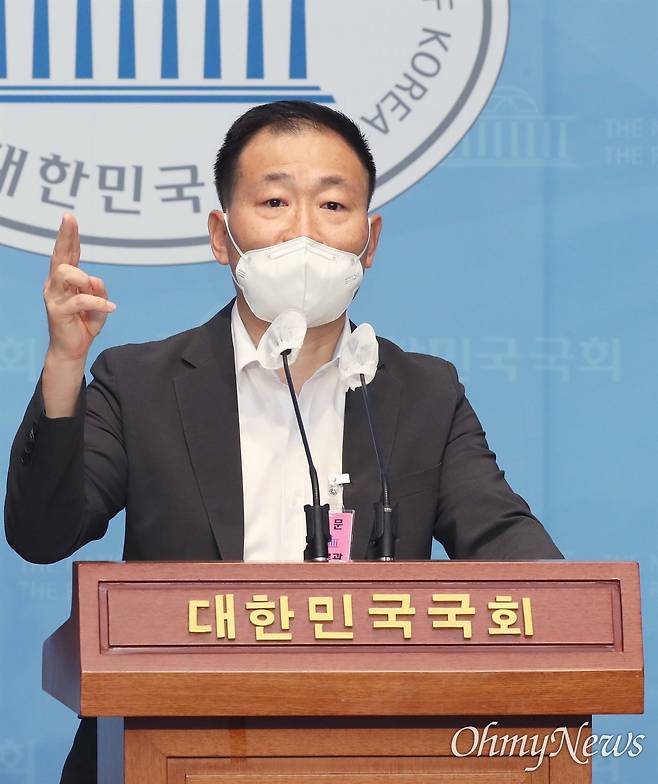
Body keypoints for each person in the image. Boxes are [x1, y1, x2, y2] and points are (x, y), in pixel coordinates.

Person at [4, 101, 563, 782]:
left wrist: (572, 613)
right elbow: (41, 533)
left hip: (374, 756)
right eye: (274, 202)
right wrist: (65, 366)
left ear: (369, 241)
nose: (304, 232)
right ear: (222, 236)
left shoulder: (423, 394)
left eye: (332, 206)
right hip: (166, 752)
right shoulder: (141, 383)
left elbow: (514, 554)